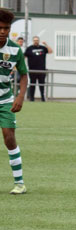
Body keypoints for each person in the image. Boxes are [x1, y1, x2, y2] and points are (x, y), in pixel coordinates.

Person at [0, 10, 28, 195]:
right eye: (0, 28)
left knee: (9, 137)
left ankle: (20, 183)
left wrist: (20, 96)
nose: (3, 31)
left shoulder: (15, 50)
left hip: (5, 100)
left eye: (6, 28)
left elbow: (24, 75)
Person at [24, 36, 52, 102]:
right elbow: (24, 56)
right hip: (32, 70)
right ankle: (31, 99)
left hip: (41, 70)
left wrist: (46, 44)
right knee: (32, 84)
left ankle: (43, 99)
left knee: (42, 85)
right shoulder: (29, 48)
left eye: (37, 40)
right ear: (33, 41)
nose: (36, 41)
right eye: (34, 40)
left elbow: (50, 51)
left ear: (38, 41)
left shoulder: (43, 48)